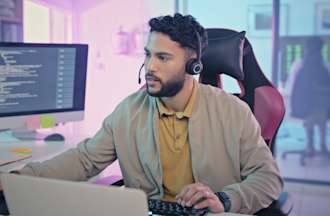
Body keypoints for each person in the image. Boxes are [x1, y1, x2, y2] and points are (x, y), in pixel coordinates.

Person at [0, 13, 283, 215]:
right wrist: (18, 178)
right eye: (148, 54)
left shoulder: (232, 112)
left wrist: (226, 199)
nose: (150, 67)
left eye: (162, 58)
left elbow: (268, 179)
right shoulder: (129, 111)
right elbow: (84, 159)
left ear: (193, 66)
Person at [289, 36, 330, 156]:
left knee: (317, 112)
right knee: (319, 113)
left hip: (303, 106)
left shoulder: (298, 65)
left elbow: (290, 88)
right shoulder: (325, 66)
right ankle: (320, 145)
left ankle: (311, 145)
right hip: (313, 106)